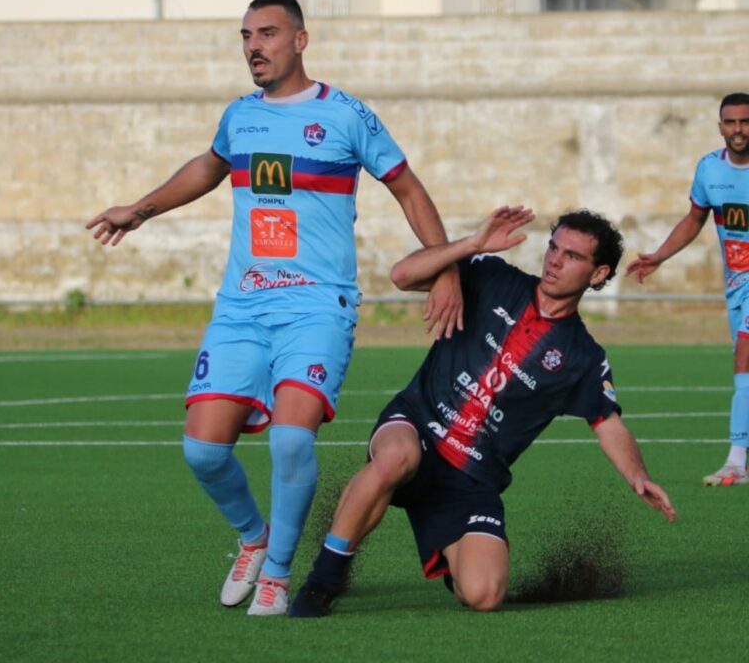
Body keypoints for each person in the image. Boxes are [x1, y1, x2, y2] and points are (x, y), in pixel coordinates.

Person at [85, 0, 462, 616]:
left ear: (300, 40)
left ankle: (279, 573)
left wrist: (446, 265)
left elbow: (407, 186)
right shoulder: (240, 116)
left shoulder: (345, 115)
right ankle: (254, 538)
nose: (254, 47)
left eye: (266, 34)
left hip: (317, 307)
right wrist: (140, 209)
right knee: (203, 451)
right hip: (242, 307)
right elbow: (209, 167)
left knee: (291, 442)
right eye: (245, 36)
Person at [289, 206, 677, 618]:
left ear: (598, 274)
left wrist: (639, 476)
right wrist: (471, 244)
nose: (555, 261)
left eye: (573, 256)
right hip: (417, 425)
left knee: (485, 595)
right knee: (396, 458)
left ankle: (447, 547)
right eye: (553, 248)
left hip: (471, 480)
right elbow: (402, 275)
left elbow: (609, 425)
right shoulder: (493, 277)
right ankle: (324, 579)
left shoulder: (583, 356)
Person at [627, 92, 749, 487]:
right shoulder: (709, 170)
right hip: (736, 284)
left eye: (745, 122)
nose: (738, 130)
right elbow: (695, 218)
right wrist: (660, 256)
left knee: (745, 360)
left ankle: (736, 459)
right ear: (720, 127)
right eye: (731, 122)